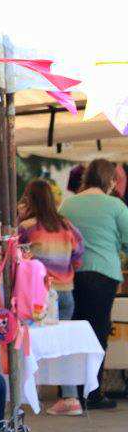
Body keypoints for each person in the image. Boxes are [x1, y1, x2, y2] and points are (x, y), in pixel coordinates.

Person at [60, 158, 128, 410]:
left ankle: (71, 390)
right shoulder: (115, 205)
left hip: (71, 275)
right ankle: (94, 392)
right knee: (98, 332)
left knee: (75, 330)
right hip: (103, 274)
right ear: (109, 180)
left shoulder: (68, 204)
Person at [18, 179, 85, 415]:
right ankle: (70, 399)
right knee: (63, 345)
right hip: (66, 292)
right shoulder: (66, 225)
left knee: (29, 344)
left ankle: (28, 394)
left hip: (39, 296)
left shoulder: (27, 226)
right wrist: (67, 268)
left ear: (30, 200)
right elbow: (79, 254)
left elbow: (16, 259)